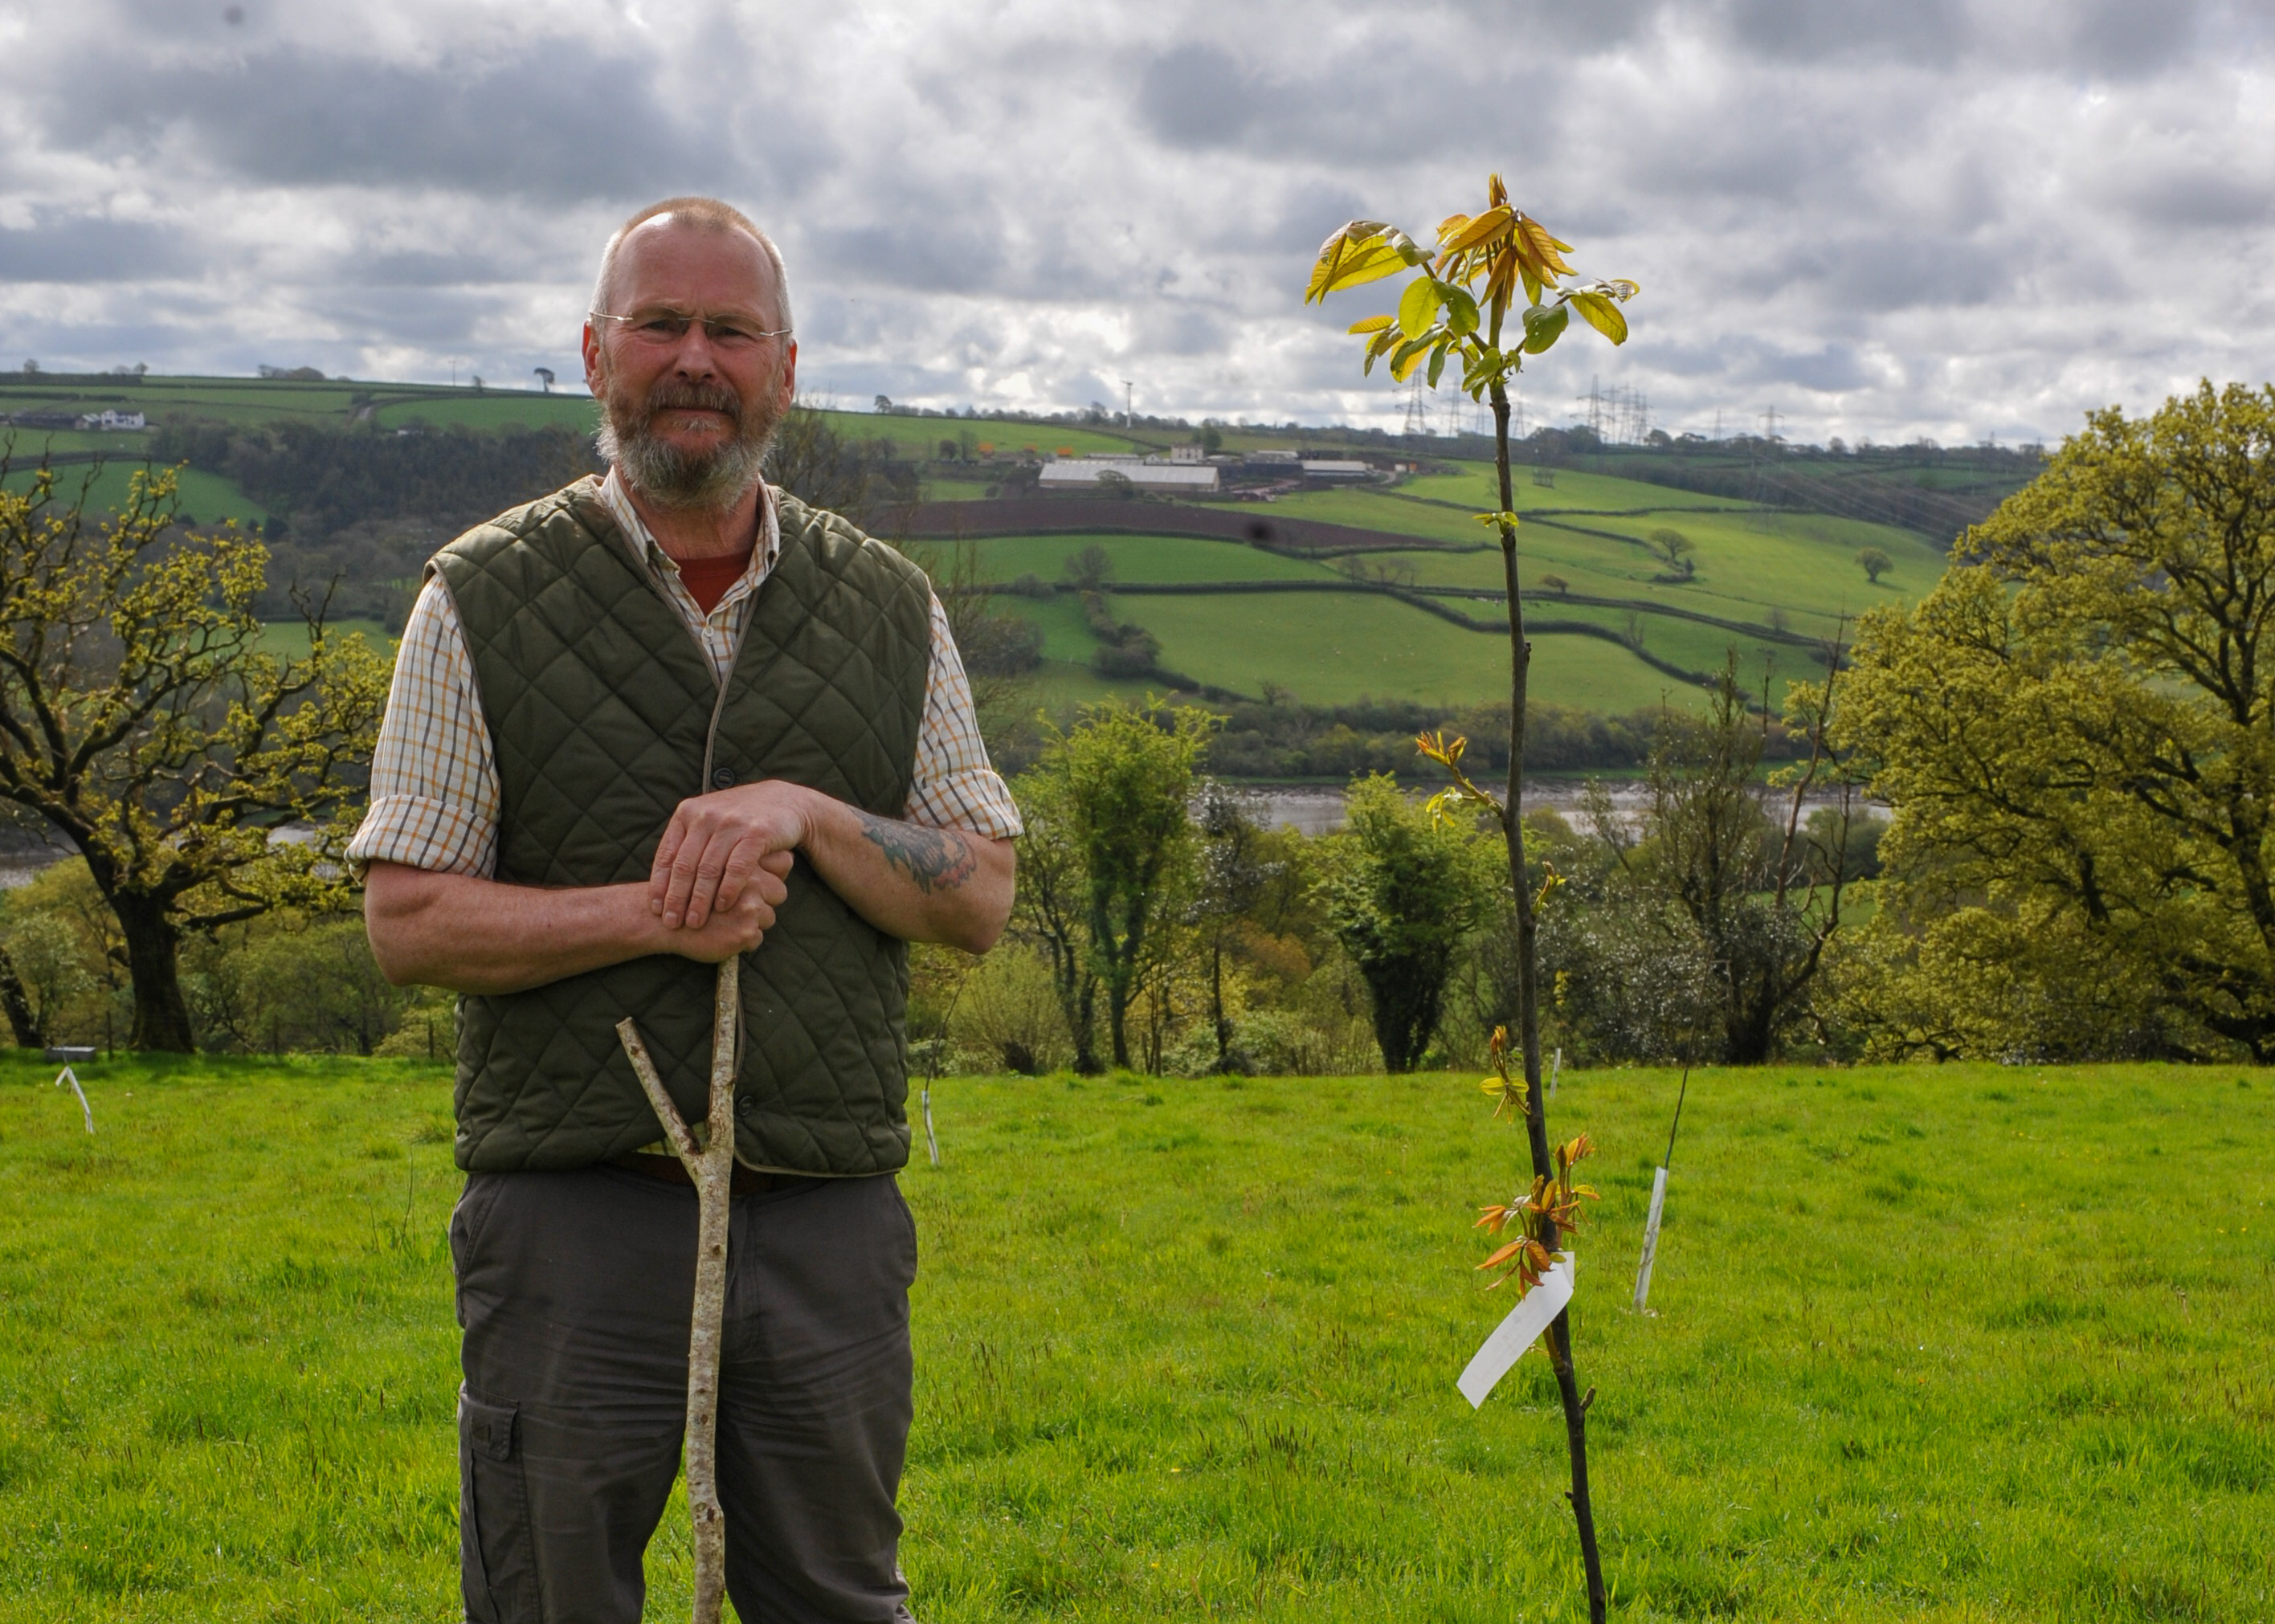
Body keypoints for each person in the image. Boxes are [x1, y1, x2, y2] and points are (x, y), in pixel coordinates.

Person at [353, 195, 1020, 1624]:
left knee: (835, 1600)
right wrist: (656, 914)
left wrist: (808, 813)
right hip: (573, 1210)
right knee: (550, 1600)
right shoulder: (477, 596)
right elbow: (408, 919)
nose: (695, 358)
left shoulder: (892, 605)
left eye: (733, 328)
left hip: (824, 1212)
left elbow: (980, 894)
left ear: (787, 368)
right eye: (661, 323)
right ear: (597, 353)